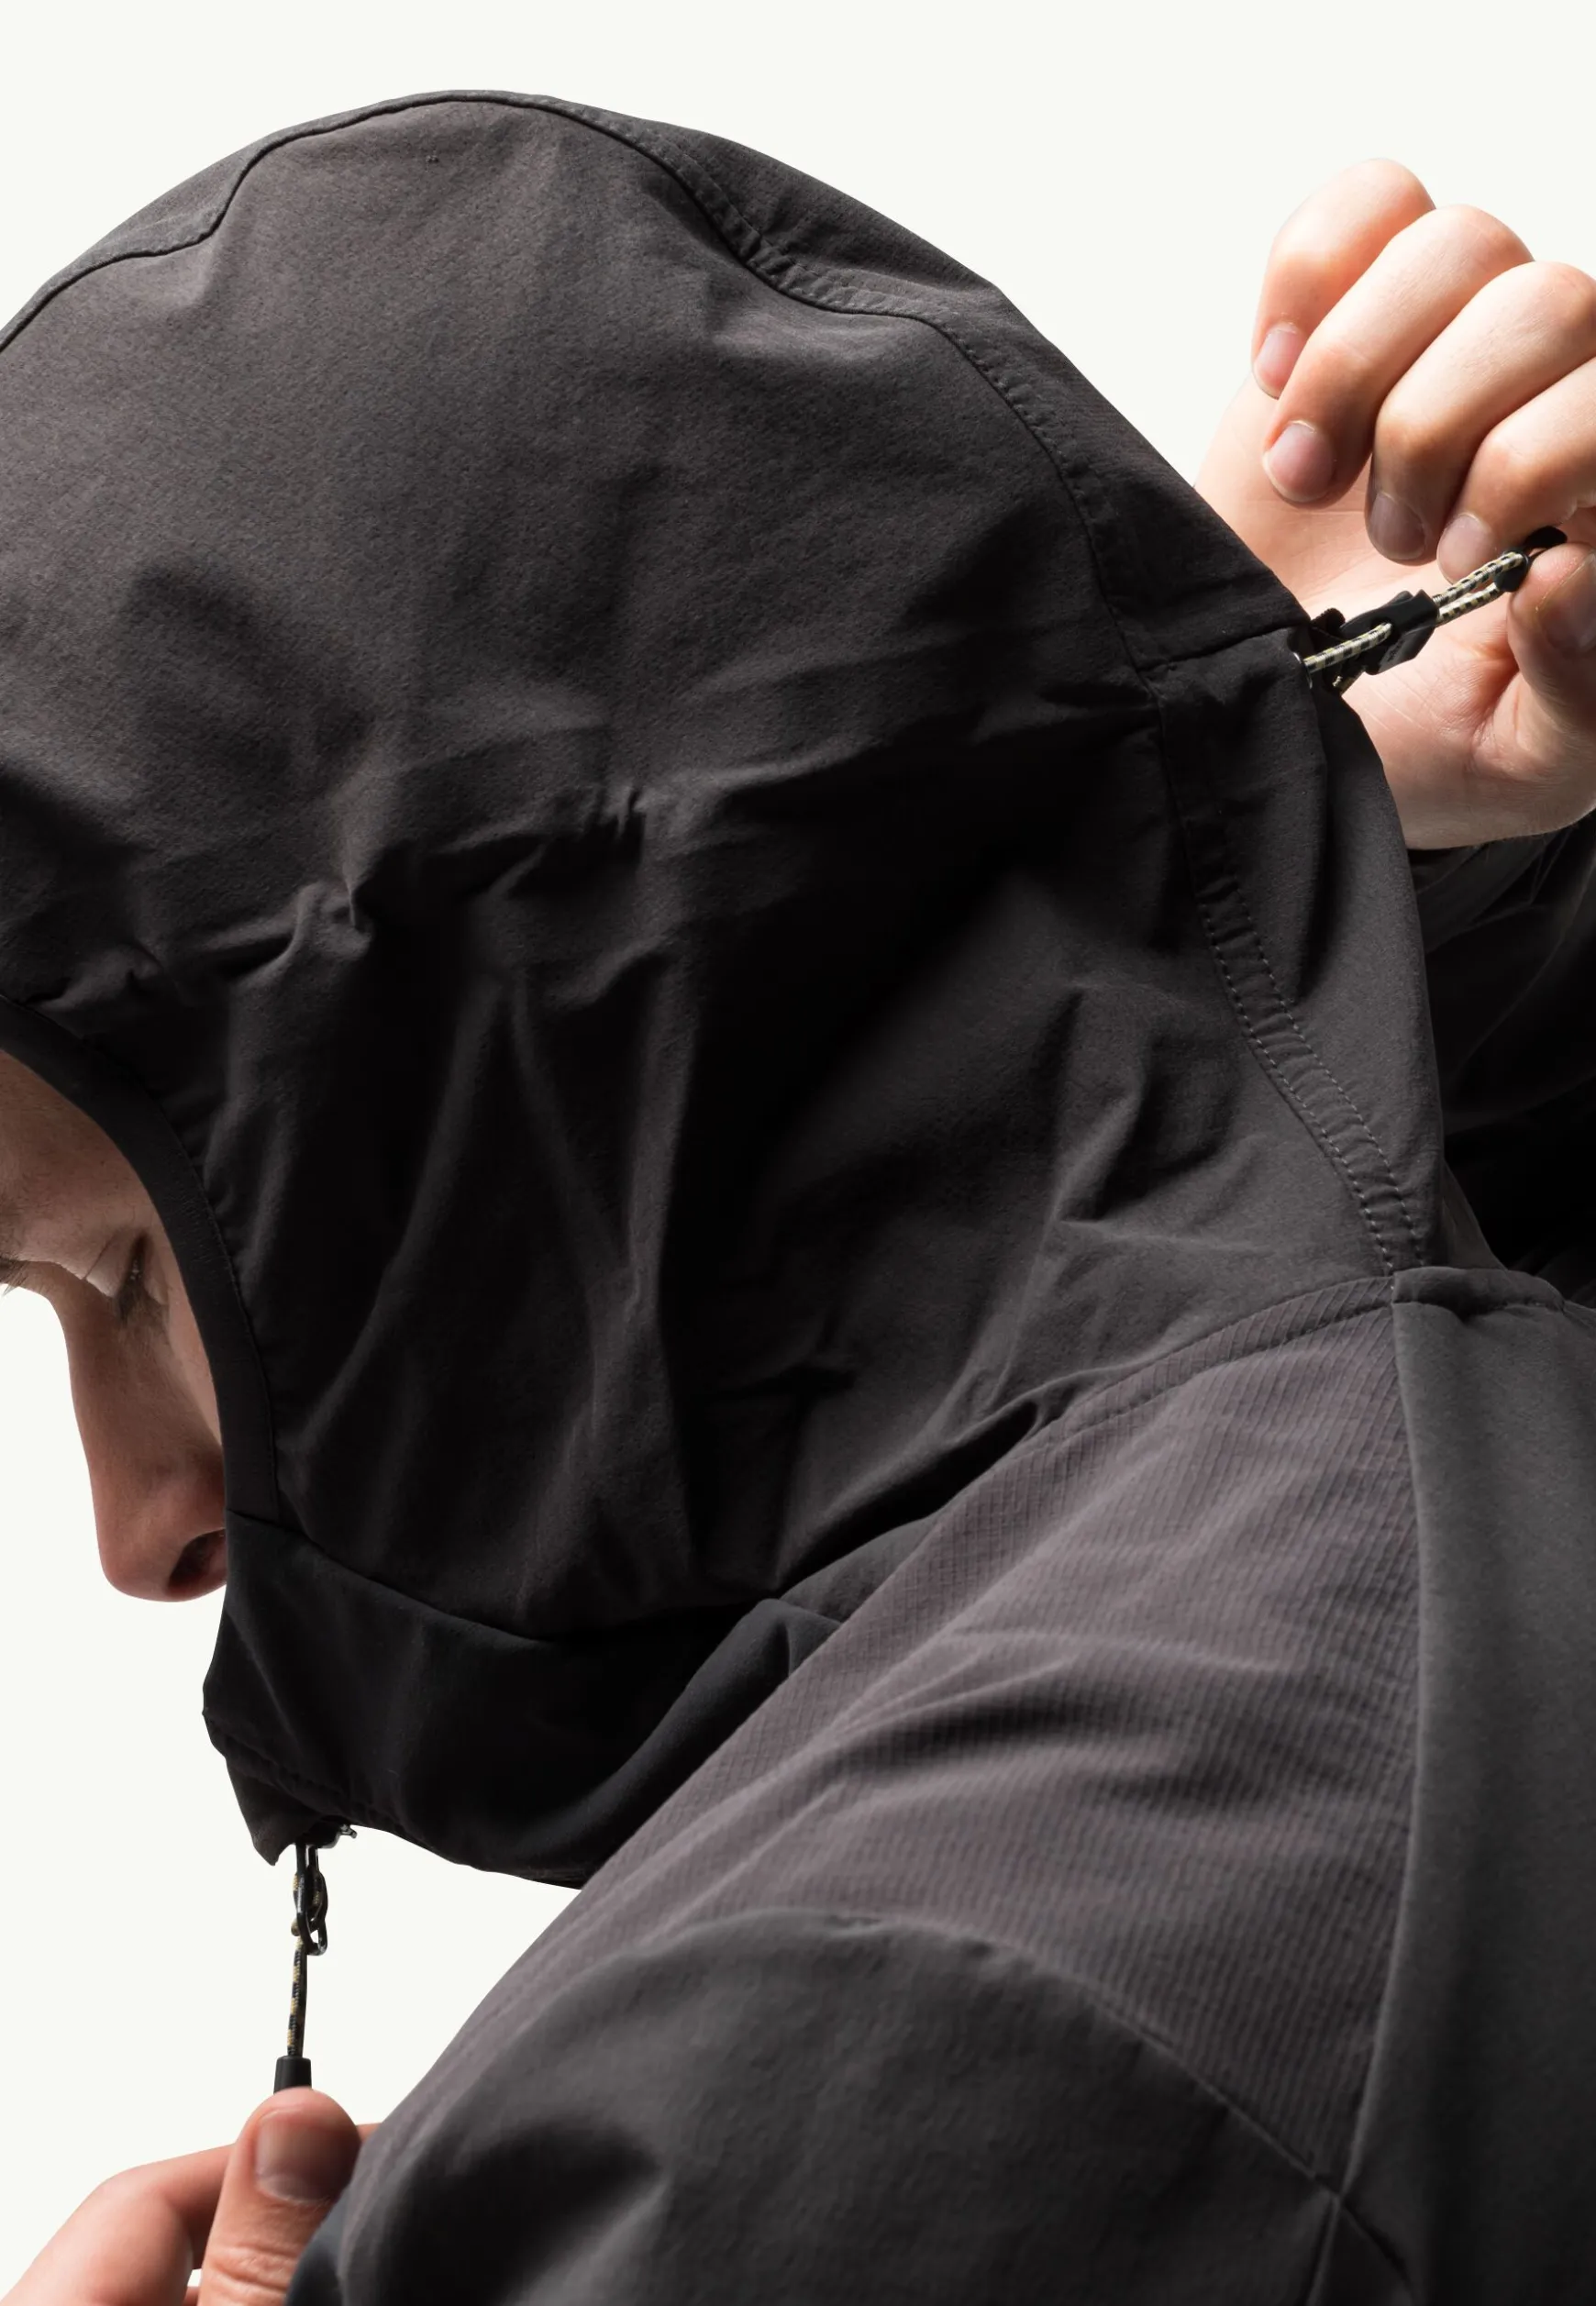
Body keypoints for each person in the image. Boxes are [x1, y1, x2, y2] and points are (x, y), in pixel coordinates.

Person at [4, 94, 1596, 2305]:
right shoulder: (1366, 1577)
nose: (134, 1530)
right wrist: (1264, 870)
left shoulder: (915, 2023)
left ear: (547, 1062)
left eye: (128, 1276)